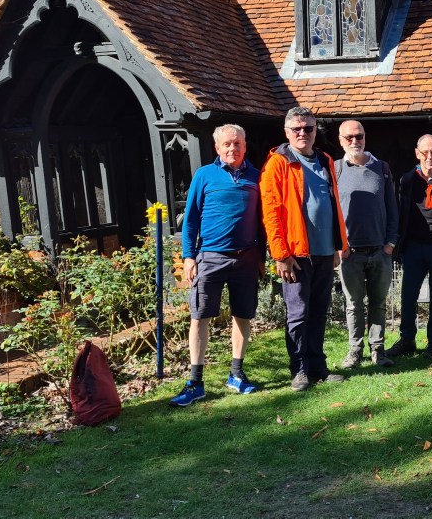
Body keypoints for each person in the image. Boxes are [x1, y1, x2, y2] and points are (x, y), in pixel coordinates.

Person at [171, 124, 265, 407]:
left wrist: (261, 257)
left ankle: (236, 374)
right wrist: (188, 257)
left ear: (245, 146)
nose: (232, 149)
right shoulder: (204, 175)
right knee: (199, 317)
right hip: (209, 258)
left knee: (243, 315)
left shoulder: (257, 177)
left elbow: (262, 221)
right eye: (226, 144)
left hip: (246, 258)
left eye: (237, 144)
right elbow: (190, 220)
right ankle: (196, 382)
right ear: (217, 148)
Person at [260, 107, 349, 392]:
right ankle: (298, 370)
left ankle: (318, 367)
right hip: (295, 254)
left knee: (319, 310)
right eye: (296, 129)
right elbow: (271, 212)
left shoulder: (325, 160)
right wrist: (281, 255)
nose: (302, 133)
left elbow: (333, 205)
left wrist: (338, 246)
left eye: (308, 128)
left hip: (324, 251)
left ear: (314, 131)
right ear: (286, 132)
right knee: (298, 314)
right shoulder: (278, 162)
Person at [386, 134, 432, 361]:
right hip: (413, 247)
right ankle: (407, 339)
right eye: (425, 152)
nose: (430, 157)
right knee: (408, 296)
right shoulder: (407, 180)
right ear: (417, 154)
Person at [334, 120, 399, 369]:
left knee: (378, 304)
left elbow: (393, 207)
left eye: (358, 136)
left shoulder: (381, 169)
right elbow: (332, 211)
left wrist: (390, 244)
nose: (354, 141)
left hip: (379, 251)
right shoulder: (336, 169)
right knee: (353, 305)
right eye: (349, 137)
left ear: (364, 137)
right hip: (350, 253)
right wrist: (339, 245)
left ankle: (378, 351)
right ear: (341, 140)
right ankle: (354, 351)